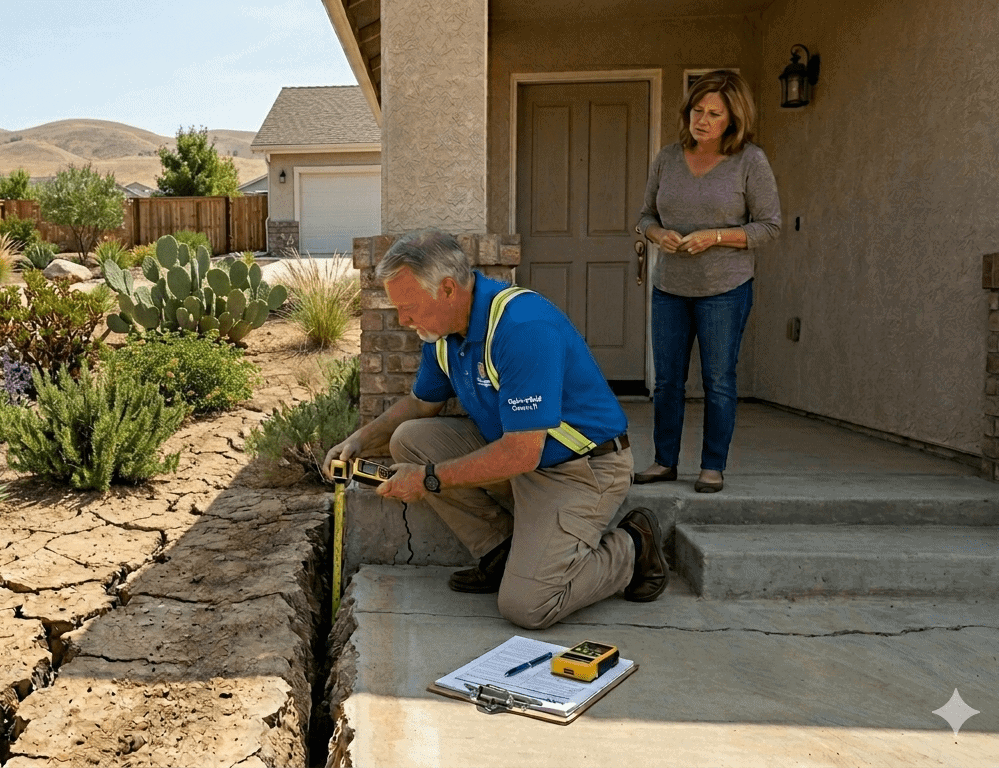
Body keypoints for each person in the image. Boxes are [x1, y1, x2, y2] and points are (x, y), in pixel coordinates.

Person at [326, 229, 668, 630]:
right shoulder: (443, 335)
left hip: (579, 468)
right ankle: (500, 551)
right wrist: (359, 439)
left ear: (448, 289)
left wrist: (429, 479)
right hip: (520, 456)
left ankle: (634, 545)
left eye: (409, 307)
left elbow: (523, 453)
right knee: (410, 440)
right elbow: (422, 403)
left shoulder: (522, 328)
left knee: (530, 606)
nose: (403, 320)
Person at [633, 70, 781, 494]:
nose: (703, 120)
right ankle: (664, 462)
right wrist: (657, 234)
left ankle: (712, 466)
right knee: (666, 381)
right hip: (670, 288)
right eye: (697, 110)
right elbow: (645, 217)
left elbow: (769, 227)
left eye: (714, 113)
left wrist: (715, 237)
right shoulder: (666, 159)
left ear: (733, 119)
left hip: (725, 289)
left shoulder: (750, 161)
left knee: (718, 380)